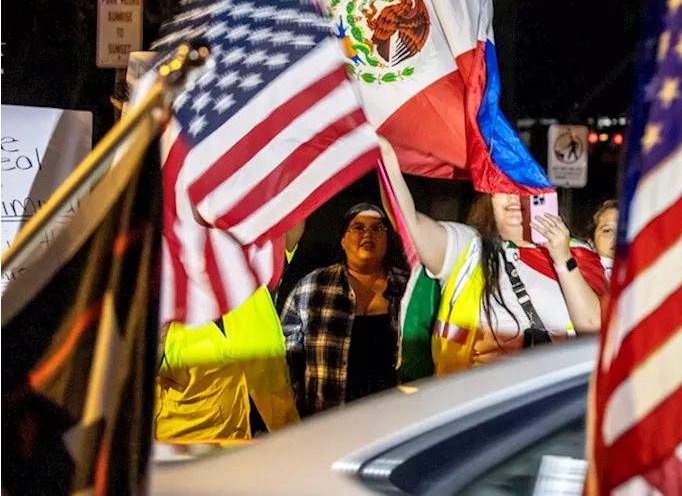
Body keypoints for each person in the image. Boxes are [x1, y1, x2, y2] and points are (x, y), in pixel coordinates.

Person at [380, 144, 608, 375]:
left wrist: (562, 259)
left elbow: (593, 327)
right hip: (477, 399)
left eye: (523, 186)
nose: (513, 196)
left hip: (550, 400)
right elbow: (407, 222)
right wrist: (385, 155)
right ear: (490, 198)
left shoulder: (576, 254)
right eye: (501, 186)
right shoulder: (467, 247)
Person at [155, 226, 302, 441]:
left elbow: (289, 225)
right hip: (186, 448)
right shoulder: (173, 304)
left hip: (262, 442)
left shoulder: (252, 286)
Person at [281, 203, 409, 416]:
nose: (368, 234)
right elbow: (285, 357)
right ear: (342, 239)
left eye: (377, 228)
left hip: (394, 423)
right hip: (328, 422)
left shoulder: (408, 287)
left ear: (388, 239)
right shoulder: (313, 286)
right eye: (358, 228)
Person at [589, 199, 619, 279]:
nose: (617, 237)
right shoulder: (581, 276)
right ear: (592, 242)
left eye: (624, 231)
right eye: (607, 230)